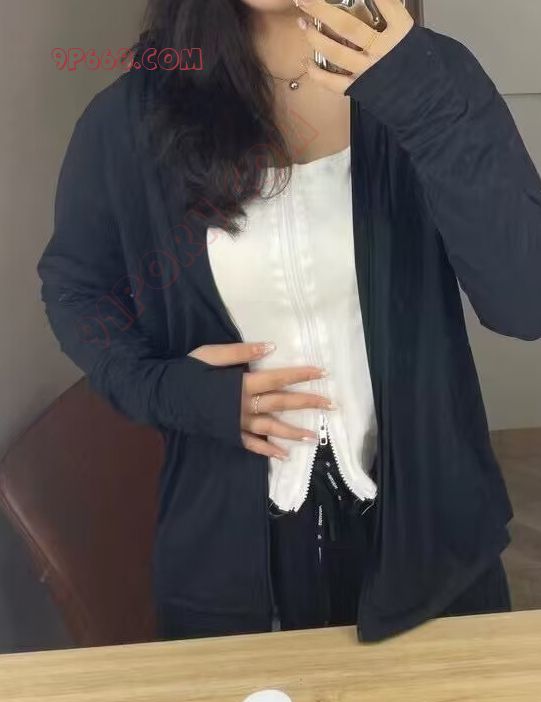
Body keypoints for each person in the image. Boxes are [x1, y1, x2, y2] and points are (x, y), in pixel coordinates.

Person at [37, 0, 541, 643]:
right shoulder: (136, 114)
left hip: (437, 556)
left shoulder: (438, 76)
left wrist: (419, 98)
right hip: (226, 577)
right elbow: (77, 289)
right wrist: (166, 389)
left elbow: (524, 300)